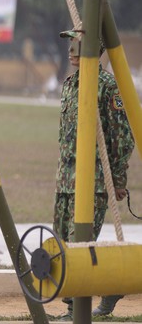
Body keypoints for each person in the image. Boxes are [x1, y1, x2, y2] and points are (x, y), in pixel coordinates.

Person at [54, 29, 134, 321]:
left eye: (76, 45)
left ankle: (78, 309)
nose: (71, 52)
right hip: (66, 180)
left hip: (94, 181)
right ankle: (109, 285)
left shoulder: (106, 86)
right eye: (69, 46)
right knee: (62, 245)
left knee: (79, 245)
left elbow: (122, 137)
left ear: (94, 48)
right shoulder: (71, 83)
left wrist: (118, 179)